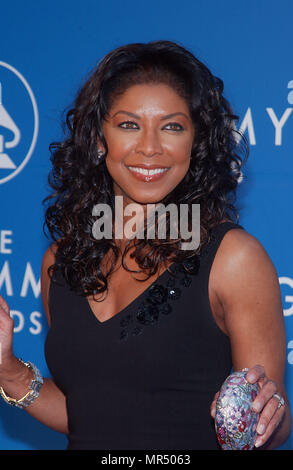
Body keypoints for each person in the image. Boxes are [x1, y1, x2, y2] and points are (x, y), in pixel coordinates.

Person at [0, 40, 291, 450]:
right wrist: (7, 369)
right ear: (100, 140)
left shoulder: (232, 259)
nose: (150, 148)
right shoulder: (62, 260)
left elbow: (273, 425)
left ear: (196, 142)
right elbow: (85, 415)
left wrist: (262, 416)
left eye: (172, 126)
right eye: (128, 125)